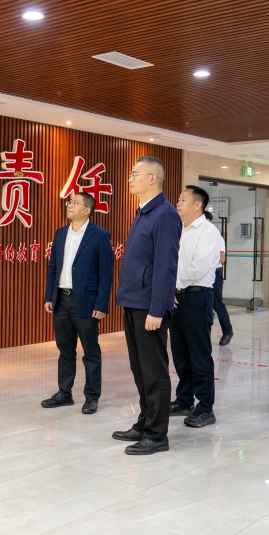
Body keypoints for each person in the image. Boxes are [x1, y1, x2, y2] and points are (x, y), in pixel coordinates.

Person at [112, 156, 182, 454]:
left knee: (154, 371)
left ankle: (157, 435)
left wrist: (157, 308)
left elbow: (166, 265)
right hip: (133, 300)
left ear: (152, 178)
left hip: (148, 306)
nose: (130, 179)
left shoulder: (165, 214)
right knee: (140, 369)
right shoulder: (143, 212)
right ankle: (144, 422)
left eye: (135, 174)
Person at [42, 192, 114, 414]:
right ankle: (64, 393)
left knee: (90, 352)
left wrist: (101, 304)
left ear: (87, 209)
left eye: (75, 202)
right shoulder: (60, 233)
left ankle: (92, 397)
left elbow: (106, 273)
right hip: (61, 300)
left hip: (86, 302)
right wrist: (49, 296)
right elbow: (53, 267)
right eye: (69, 202)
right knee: (65, 349)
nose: (70, 205)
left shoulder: (100, 235)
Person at [168, 186, 219, 427]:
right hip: (176, 298)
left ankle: (206, 407)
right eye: (178, 199)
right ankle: (184, 399)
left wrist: (173, 285)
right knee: (180, 354)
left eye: (183, 199)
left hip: (197, 298)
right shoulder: (180, 230)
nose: (178, 203)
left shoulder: (208, 231)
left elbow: (198, 268)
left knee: (199, 355)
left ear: (198, 205)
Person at [204, 211, 234, 346]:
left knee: (217, 303)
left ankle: (227, 331)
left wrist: (206, 262)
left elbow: (222, 258)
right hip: (203, 272)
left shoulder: (216, 236)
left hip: (215, 272)